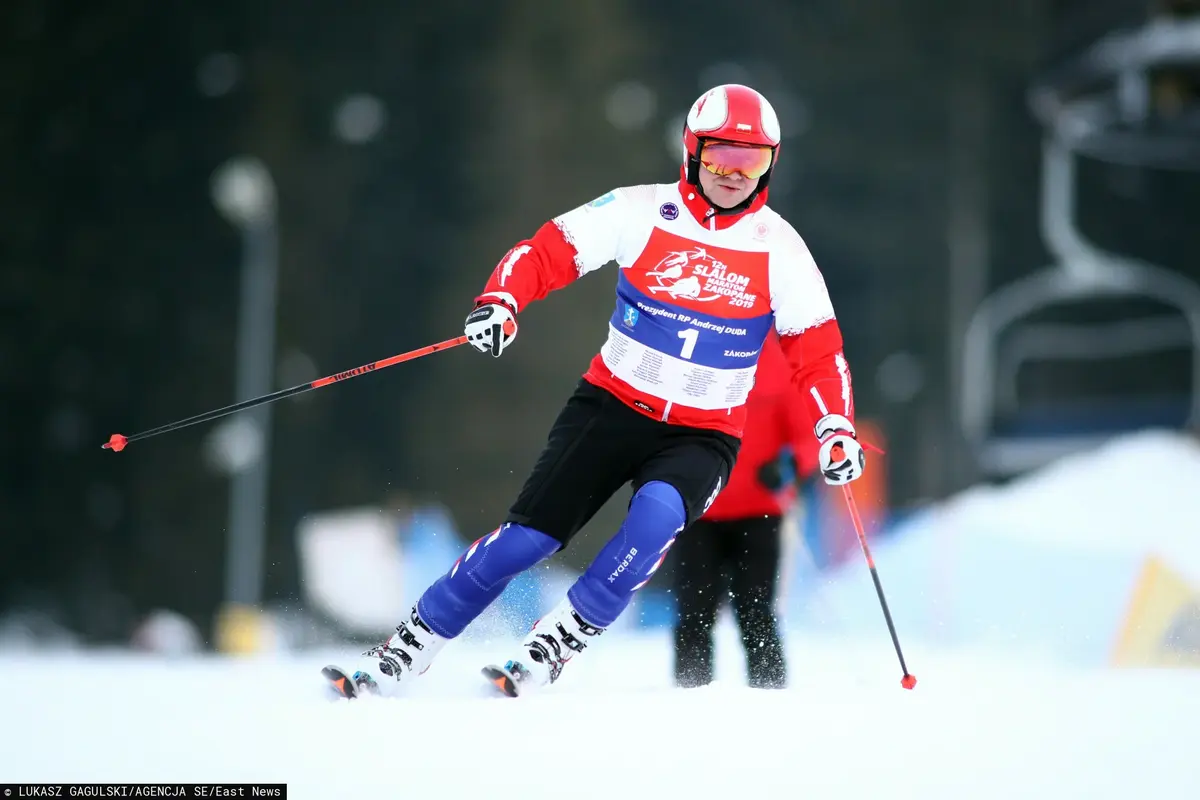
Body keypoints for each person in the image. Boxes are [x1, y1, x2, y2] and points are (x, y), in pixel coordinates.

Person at [323, 83, 865, 700]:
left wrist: (834, 427)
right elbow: (546, 251)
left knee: (656, 518)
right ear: (692, 152)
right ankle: (408, 647)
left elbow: (819, 354)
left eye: (753, 160)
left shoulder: (781, 249)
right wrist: (502, 301)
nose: (735, 174)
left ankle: (557, 640)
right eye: (720, 157)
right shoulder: (639, 211)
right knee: (525, 542)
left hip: (703, 432)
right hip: (609, 408)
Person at [668, 328, 818, 690]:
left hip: (760, 512)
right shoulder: (688, 352)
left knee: (756, 612)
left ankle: (769, 692)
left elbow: (807, 437)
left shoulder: (779, 362)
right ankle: (689, 693)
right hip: (698, 511)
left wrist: (789, 465)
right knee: (694, 612)